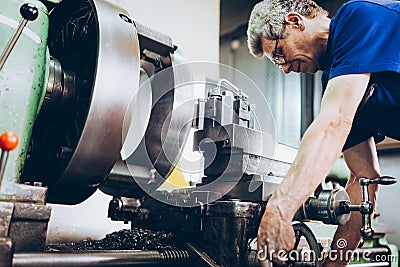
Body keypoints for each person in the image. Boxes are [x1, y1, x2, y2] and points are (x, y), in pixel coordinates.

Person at [246, 0, 400, 266]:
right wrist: (335, 262)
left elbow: (333, 123)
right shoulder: (337, 79)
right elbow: (363, 180)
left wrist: (280, 208)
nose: (283, 68)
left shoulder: (355, 17)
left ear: (295, 21)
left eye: (279, 54)